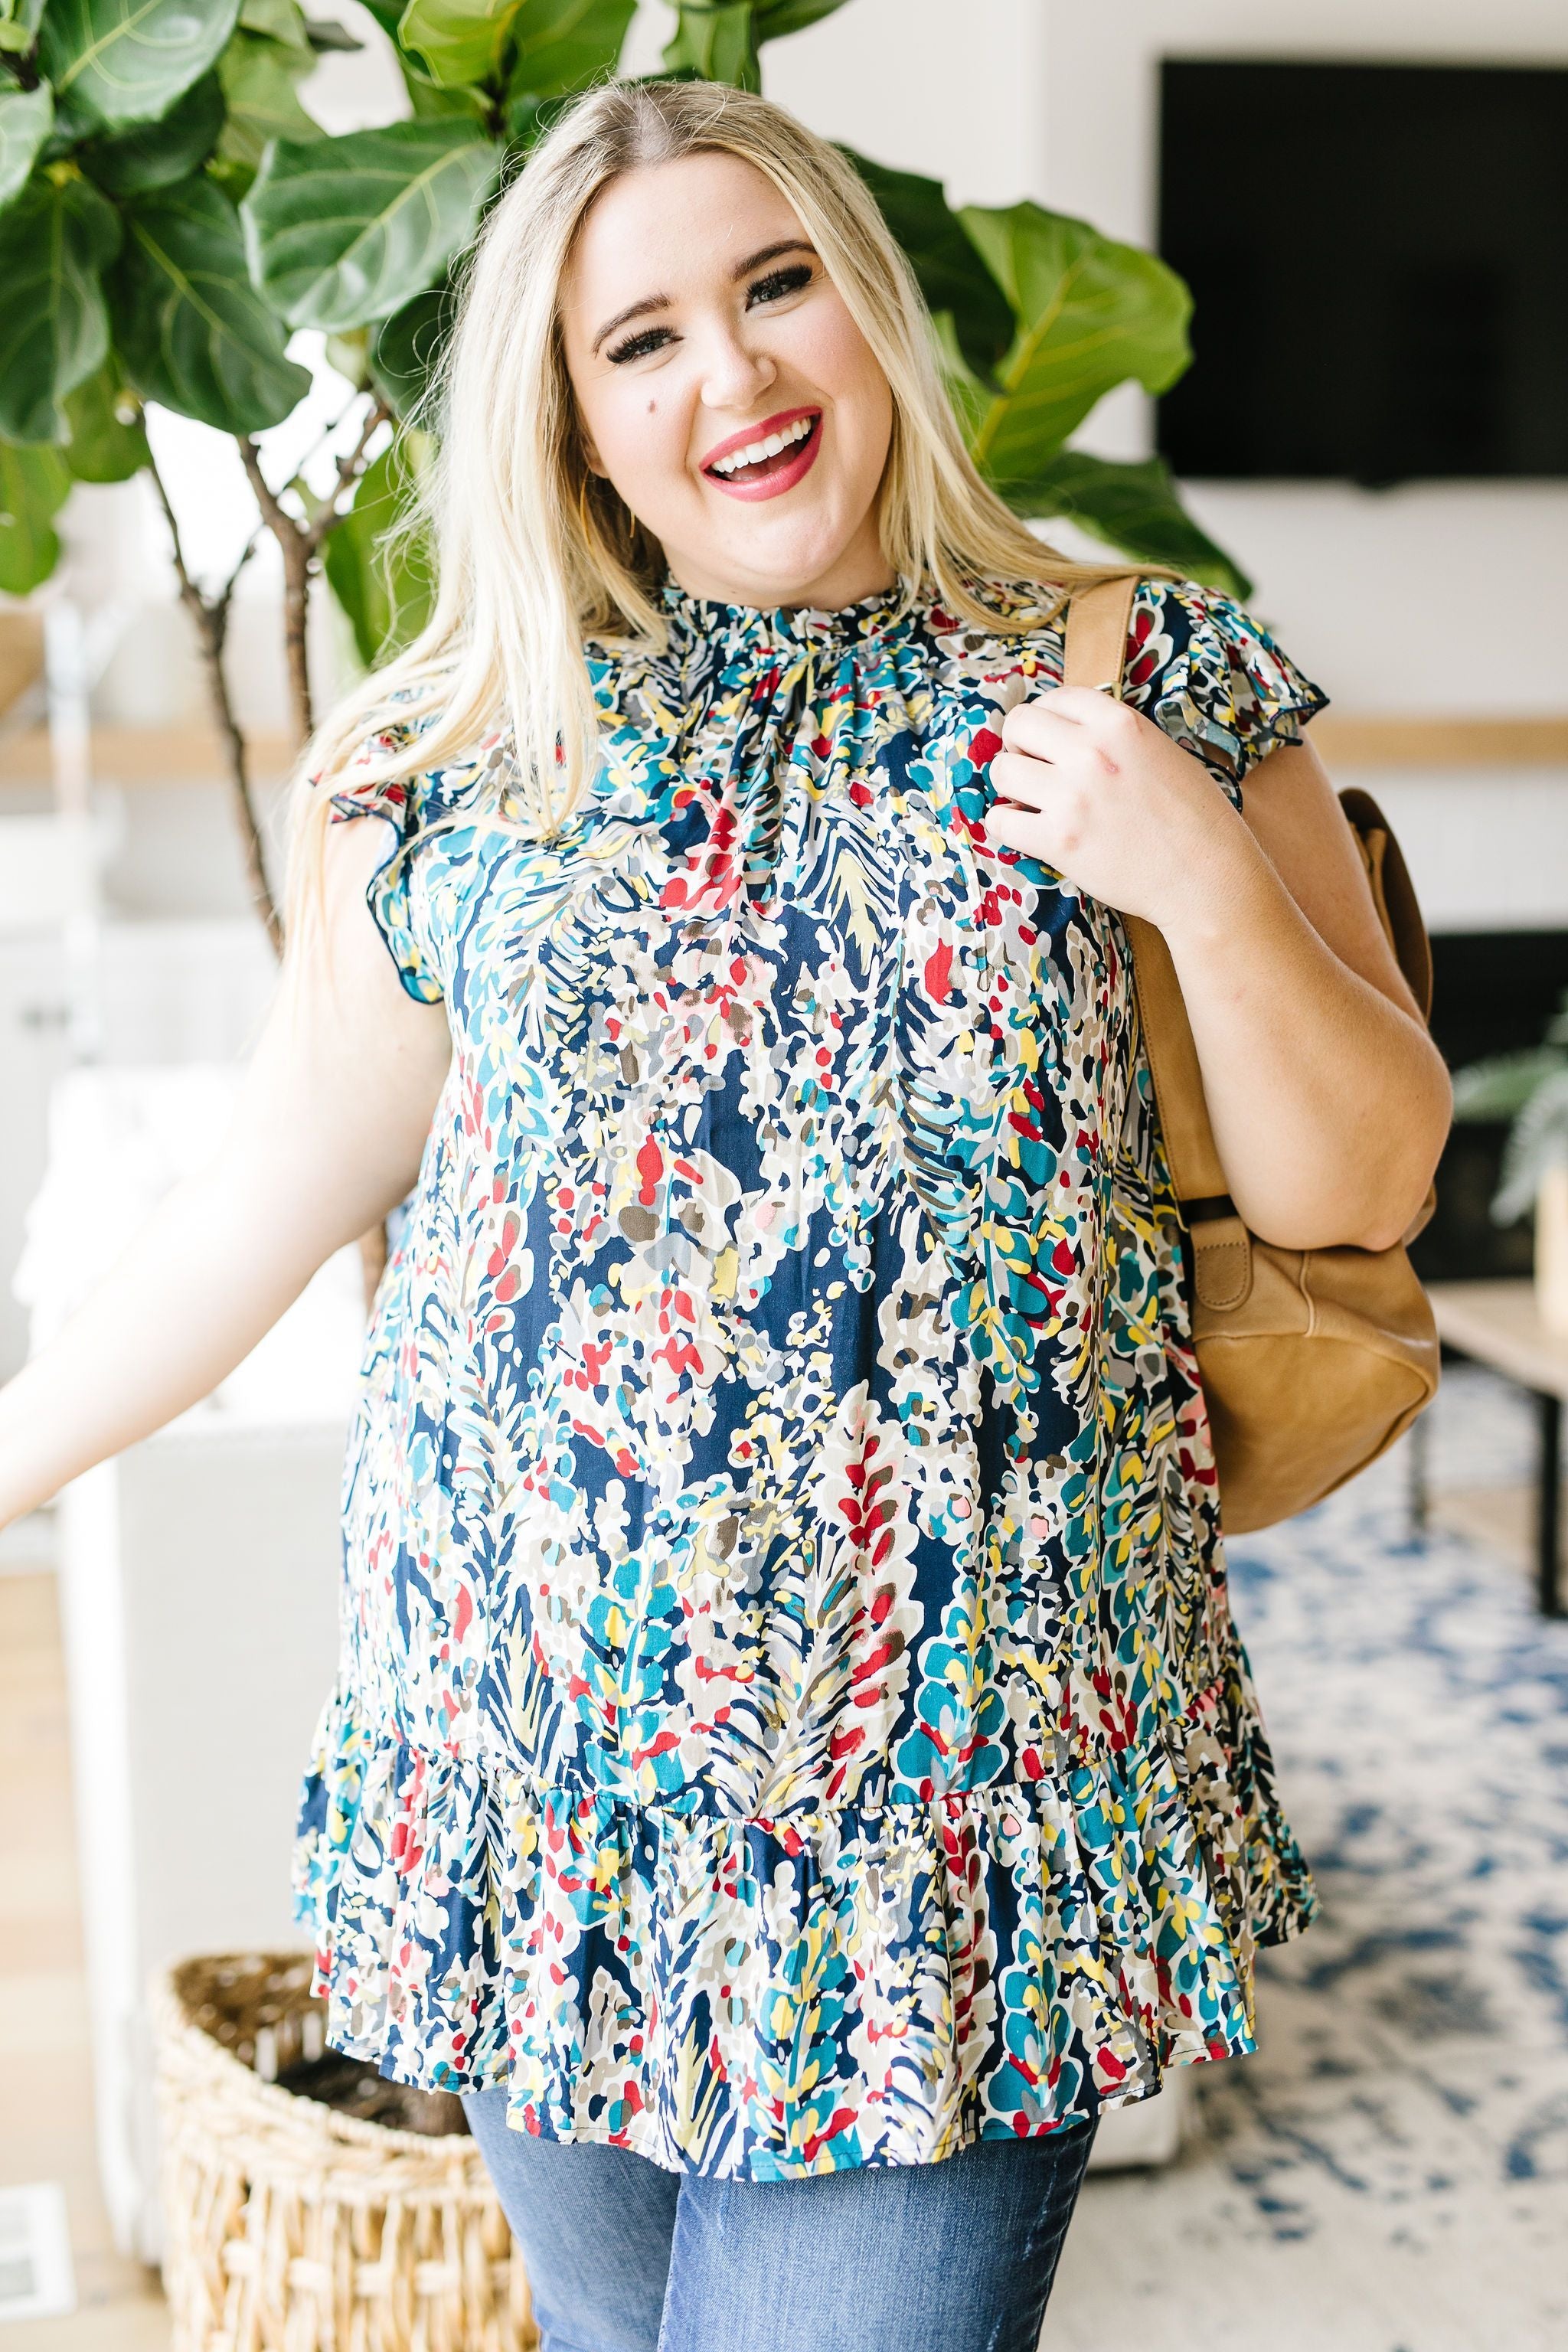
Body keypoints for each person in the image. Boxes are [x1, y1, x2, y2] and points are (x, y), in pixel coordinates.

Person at [0, 77, 1451, 2352]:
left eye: (777, 289)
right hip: (535, 1762)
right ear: (572, 426)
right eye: (640, 339)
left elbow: (1366, 1176)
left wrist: (1189, 872)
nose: (735, 377)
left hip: (957, 1803)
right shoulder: (452, 757)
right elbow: (278, 1182)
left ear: (868, 312)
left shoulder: (1131, 676)